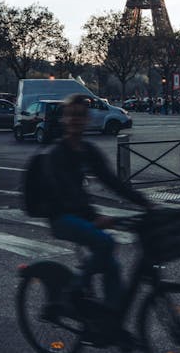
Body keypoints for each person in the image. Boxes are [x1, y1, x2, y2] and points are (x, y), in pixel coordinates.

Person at [42, 93, 152, 330]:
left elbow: (112, 181)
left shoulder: (87, 150)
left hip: (79, 214)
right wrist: (95, 218)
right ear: (64, 119)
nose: (76, 120)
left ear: (88, 118)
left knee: (112, 266)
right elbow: (66, 194)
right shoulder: (57, 154)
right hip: (60, 217)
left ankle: (112, 321)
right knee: (105, 243)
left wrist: (145, 203)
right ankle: (72, 292)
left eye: (81, 115)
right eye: (72, 115)